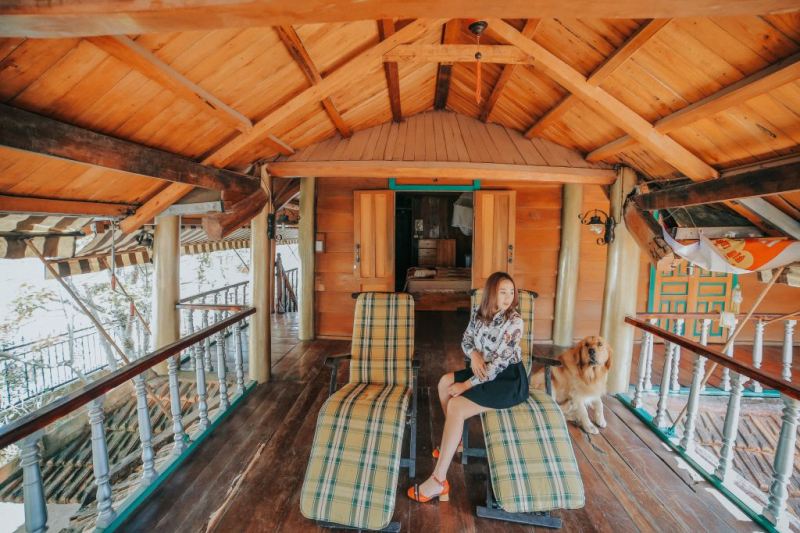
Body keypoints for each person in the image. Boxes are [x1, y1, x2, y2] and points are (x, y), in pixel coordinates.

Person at [407, 271, 528, 502]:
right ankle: (457, 442)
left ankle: (438, 481)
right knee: (444, 383)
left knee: (456, 405)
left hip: (507, 380)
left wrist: (465, 385)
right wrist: (473, 355)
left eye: (511, 292)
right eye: (502, 292)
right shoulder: (479, 313)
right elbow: (466, 340)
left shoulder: (514, 322)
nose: (508, 297)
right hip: (482, 368)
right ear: (491, 293)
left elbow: (496, 367)